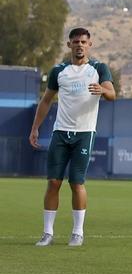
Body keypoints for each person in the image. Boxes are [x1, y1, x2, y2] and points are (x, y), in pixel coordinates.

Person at [28, 27, 116, 247]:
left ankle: (78, 232)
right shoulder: (59, 71)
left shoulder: (98, 68)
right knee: (53, 182)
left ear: (89, 44)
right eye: (75, 41)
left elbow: (112, 94)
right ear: (69, 45)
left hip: (84, 134)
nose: (79, 45)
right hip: (60, 133)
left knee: (77, 183)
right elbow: (47, 100)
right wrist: (35, 128)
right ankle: (47, 233)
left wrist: (103, 91)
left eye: (83, 42)